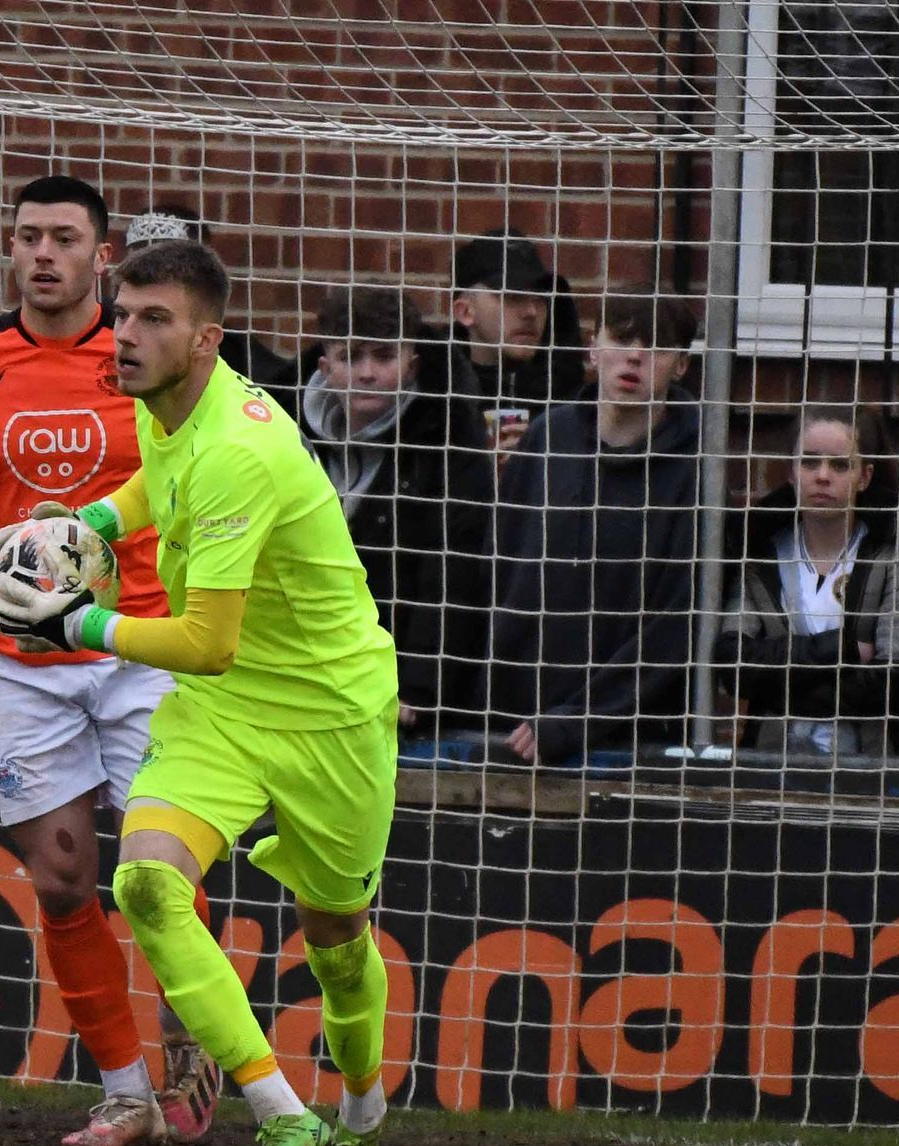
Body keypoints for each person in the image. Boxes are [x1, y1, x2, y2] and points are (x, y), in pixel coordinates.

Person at [0, 239, 400, 1146]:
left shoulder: (239, 453)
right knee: (147, 883)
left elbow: (206, 641)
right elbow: (153, 490)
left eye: (153, 319)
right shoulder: (161, 405)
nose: (124, 335)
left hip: (330, 715)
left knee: (337, 944)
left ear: (207, 340)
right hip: (222, 715)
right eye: (122, 314)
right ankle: (282, 1114)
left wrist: (76, 623)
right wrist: (85, 523)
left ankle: (362, 1119)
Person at [0, 176, 220, 1146]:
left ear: (103, 257)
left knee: (160, 869)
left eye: (64, 238)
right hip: (22, 653)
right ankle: (123, 1094)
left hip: (140, 645)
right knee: (63, 877)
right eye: (28, 236)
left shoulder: (149, 354)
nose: (42, 254)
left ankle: (194, 1042)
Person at [481, 287, 702, 767]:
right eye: (621, 339)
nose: (635, 357)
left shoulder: (698, 466)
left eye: (656, 346)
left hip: (633, 739)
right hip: (516, 724)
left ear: (681, 366)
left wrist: (580, 719)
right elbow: (497, 569)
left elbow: (677, 625)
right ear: (593, 349)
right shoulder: (547, 438)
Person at [295, 283, 494, 736]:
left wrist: (419, 685)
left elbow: (452, 569)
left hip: (397, 680)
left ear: (412, 364)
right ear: (325, 367)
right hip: (303, 669)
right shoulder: (285, 433)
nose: (367, 373)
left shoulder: (447, 440)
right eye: (351, 357)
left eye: (384, 357)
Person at [714, 406, 899, 758]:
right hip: (773, 758)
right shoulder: (759, 552)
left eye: (840, 465)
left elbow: (897, 679)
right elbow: (734, 665)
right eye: (809, 462)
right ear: (791, 471)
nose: (822, 476)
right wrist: (842, 649)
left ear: (864, 477)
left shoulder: (898, 552)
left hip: (873, 762)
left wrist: (778, 683)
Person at [121, 203, 293, 399]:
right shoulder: (111, 335)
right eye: (139, 262)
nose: (149, 272)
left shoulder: (254, 369)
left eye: (171, 263)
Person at [448, 229, 588, 457]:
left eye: (540, 297)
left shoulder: (572, 402)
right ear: (465, 311)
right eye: (512, 296)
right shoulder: (433, 400)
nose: (531, 311)